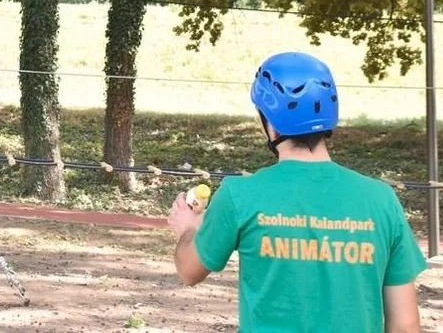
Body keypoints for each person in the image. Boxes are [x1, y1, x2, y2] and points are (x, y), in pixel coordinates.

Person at [169, 52, 426, 333]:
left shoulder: (239, 195)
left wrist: (188, 228)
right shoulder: (381, 200)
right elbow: (405, 326)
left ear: (269, 121)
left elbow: (189, 271)